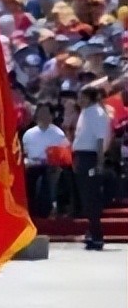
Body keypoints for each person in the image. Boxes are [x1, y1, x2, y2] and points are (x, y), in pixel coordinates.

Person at [72, 86, 110, 250]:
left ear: (90, 97)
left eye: (82, 97)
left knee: (92, 197)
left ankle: (97, 235)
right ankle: (91, 231)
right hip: (81, 156)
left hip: (91, 157)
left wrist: (99, 163)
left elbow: (100, 140)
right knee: (85, 197)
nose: (79, 100)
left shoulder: (97, 114)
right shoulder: (85, 112)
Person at [22, 103, 70, 218]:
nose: (43, 116)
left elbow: (63, 153)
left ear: (52, 116)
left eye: (46, 113)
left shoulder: (58, 133)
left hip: (51, 166)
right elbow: (25, 152)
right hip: (32, 165)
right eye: (41, 112)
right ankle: (31, 211)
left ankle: (45, 210)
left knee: (48, 179)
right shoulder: (29, 133)